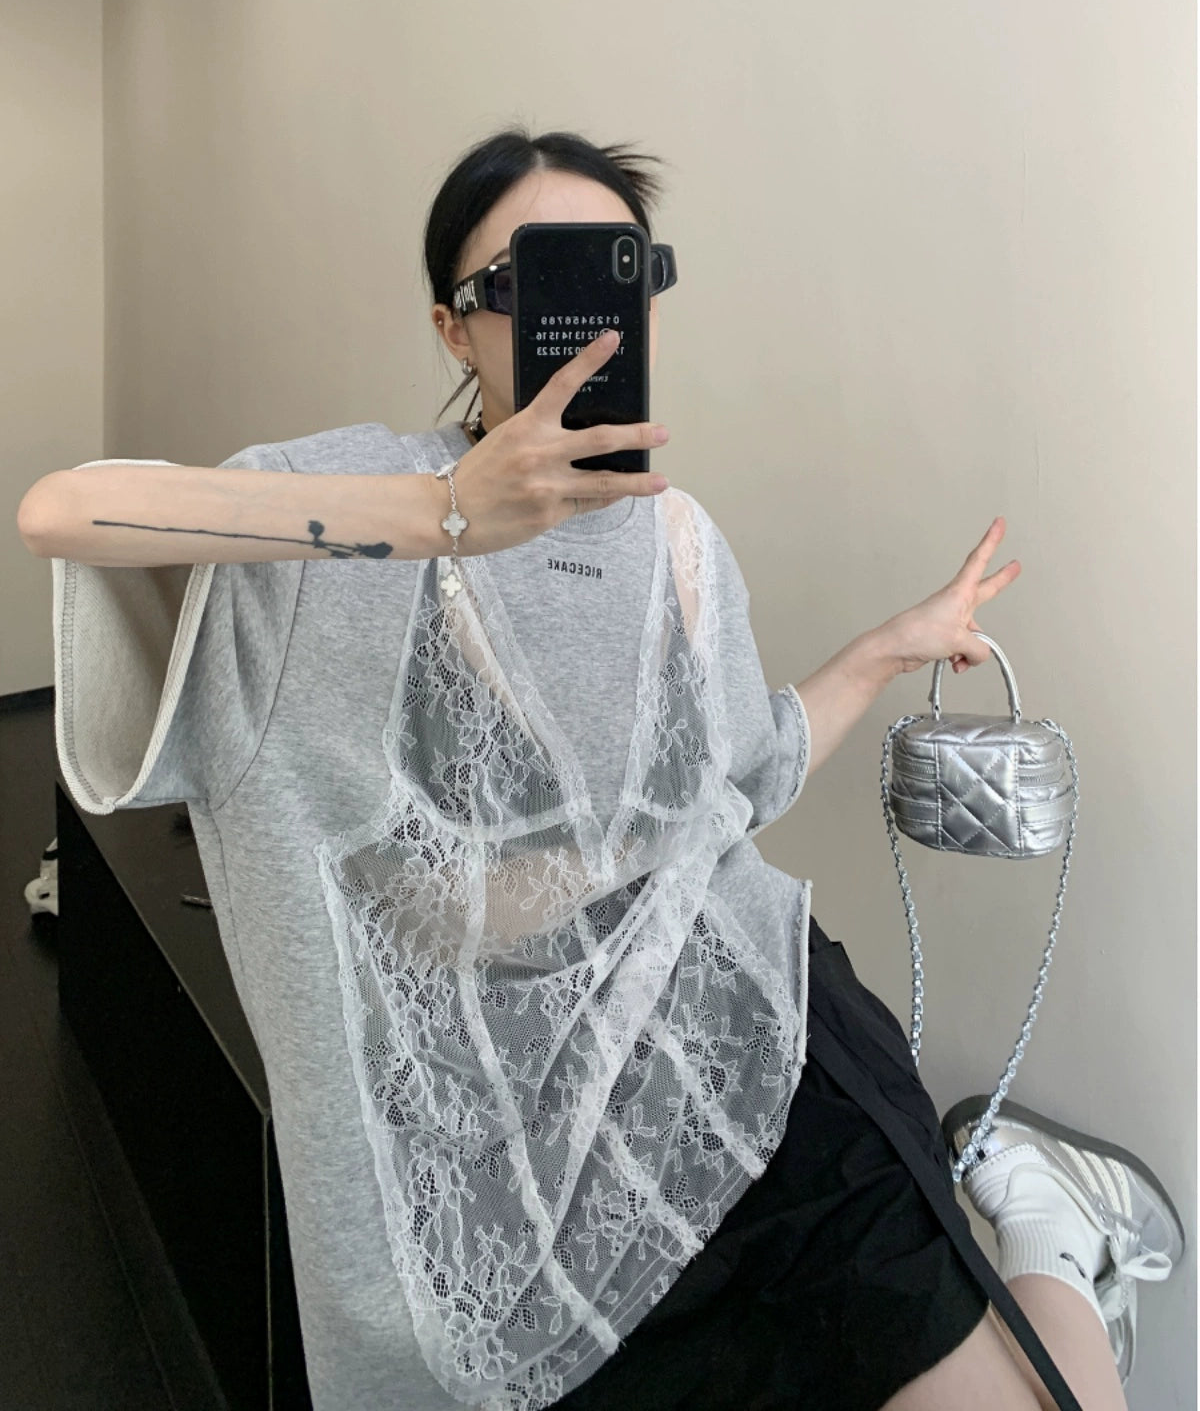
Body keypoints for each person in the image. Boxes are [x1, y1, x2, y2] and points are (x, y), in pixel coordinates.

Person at [25, 128, 1183, 1411]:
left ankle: (1049, 1231)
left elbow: (736, 784)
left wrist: (884, 650)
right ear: (453, 328)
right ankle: (1048, 1239)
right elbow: (64, 511)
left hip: (750, 1062)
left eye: (622, 274)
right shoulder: (342, 502)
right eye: (526, 284)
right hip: (501, 1177)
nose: (578, 322)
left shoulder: (680, 543)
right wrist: (440, 514)